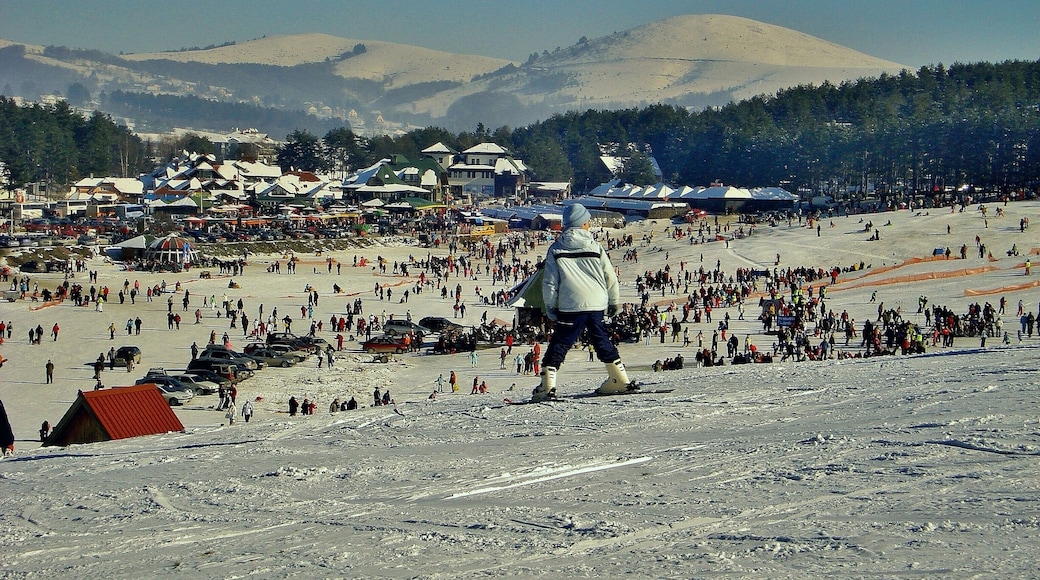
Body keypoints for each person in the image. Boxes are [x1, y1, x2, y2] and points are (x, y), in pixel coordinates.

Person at [533, 203, 637, 401]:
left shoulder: (556, 249)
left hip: (570, 303)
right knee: (601, 339)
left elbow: (550, 282)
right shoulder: (595, 246)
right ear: (582, 224)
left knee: (561, 342)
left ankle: (547, 386)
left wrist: (550, 306)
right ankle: (619, 379)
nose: (589, 224)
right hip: (596, 302)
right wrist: (614, 300)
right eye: (587, 221)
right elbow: (610, 276)